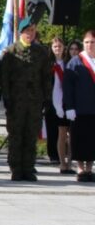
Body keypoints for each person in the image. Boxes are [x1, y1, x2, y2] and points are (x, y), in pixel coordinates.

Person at [0, 17, 52, 181]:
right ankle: (16, 168)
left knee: (30, 135)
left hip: (35, 101)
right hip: (16, 101)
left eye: (32, 31)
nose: (30, 33)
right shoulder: (11, 52)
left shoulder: (42, 52)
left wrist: (47, 97)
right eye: (27, 31)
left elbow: (46, 77)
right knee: (16, 135)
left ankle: (28, 168)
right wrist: (6, 97)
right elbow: (5, 78)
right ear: (21, 32)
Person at [64, 30, 95, 182]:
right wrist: (69, 107)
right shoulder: (75, 62)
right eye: (87, 42)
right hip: (80, 109)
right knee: (80, 139)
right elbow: (68, 87)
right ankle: (81, 169)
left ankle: (90, 168)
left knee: (92, 140)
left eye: (93, 42)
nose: (90, 45)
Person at [48, 36, 72, 173]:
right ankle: (62, 162)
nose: (57, 48)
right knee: (61, 133)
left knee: (71, 133)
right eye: (55, 46)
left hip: (68, 102)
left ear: (64, 48)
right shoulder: (48, 64)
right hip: (54, 102)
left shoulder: (68, 62)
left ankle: (70, 161)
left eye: (60, 46)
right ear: (51, 48)